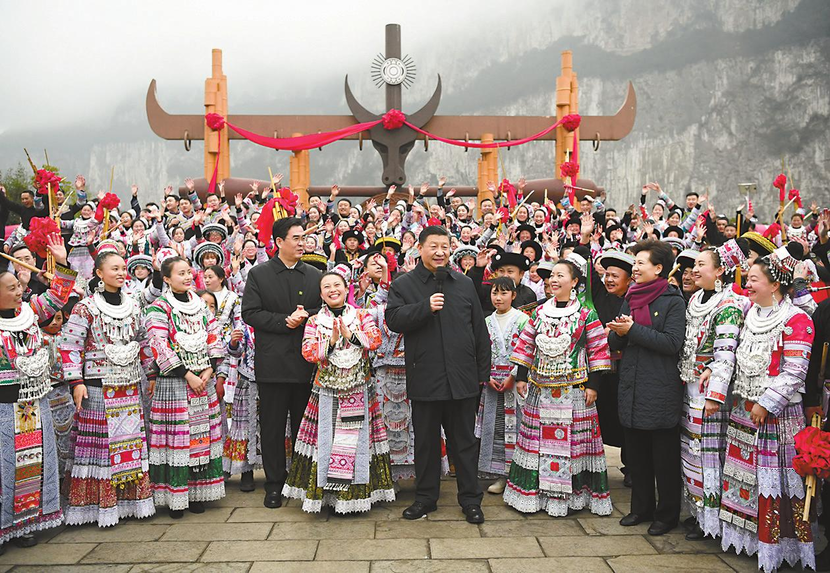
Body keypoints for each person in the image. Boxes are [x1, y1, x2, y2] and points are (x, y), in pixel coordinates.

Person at [386, 225, 490, 524]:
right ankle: (426, 498)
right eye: (434, 246)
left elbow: (479, 331)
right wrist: (424, 308)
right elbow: (393, 320)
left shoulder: (464, 283)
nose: (441, 252)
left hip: (463, 378)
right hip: (426, 376)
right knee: (427, 443)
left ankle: (470, 500)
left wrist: (481, 373)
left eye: (445, 246)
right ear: (420, 248)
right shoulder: (404, 285)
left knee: (464, 443)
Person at [720, 245, 815, 572]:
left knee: (773, 480)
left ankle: (777, 546)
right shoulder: (750, 313)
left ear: (775, 284)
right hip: (743, 412)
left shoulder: (797, 319)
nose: (748, 284)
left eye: (754, 279)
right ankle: (745, 540)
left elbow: (795, 370)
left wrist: (766, 403)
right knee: (745, 477)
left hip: (775, 416)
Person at [504, 258, 612, 517]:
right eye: (552, 275)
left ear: (574, 282)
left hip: (574, 390)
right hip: (541, 390)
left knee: (572, 445)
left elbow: (598, 350)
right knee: (537, 443)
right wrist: (521, 377)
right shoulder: (539, 312)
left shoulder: (586, 313)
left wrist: (594, 385)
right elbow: (526, 346)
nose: (554, 279)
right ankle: (537, 495)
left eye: (560, 275)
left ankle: (571, 498)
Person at [283, 269, 394, 513]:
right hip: (326, 391)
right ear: (321, 294)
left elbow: (375, 340)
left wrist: (350, 335)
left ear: (346, 289)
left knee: (357, 442)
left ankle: (355, 497)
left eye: (337, 285)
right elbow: (308, 352)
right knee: (327, 441)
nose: (333, 290)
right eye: (327, 287)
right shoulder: (313, 321)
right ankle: (326, 497)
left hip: (359, 388)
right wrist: (332, 341)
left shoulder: (362, 315)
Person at [60, 251, 155, 526]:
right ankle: (97, 505)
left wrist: (150, 373)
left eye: (123, 268)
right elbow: (70, 345)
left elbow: (144, 339)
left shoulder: (134, 305)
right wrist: (76, 382)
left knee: (129, 444)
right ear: (99, 273)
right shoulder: (86, 307)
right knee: (101, 447)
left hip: (129, 384)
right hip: (97, 386)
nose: (121, 272)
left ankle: (130, 503)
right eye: (114, 268)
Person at [0, 234, 75, 552]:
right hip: (4, 407)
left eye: (18, 286)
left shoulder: (30, 313)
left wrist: (63, 262)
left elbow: (58, 296)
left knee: (31, 465)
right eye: (11, 288)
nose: (19, 291)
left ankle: (26, 523)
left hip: (35, 401)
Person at [241, 217, 322, 508]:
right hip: (272, 362)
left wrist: (307, 316)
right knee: (273, 427)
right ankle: (274, 482)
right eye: (297, 238)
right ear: (278, 242)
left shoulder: (314, 274)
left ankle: (302, 480)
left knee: (306, 426)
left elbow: (324, 309)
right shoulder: (259, 274)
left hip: (306, 363)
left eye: (304, 238)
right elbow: (250, 313)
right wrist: (284, 321)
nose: (303, 243)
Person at [608, 239, 686, 536]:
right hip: (632, 384)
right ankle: (640, 508)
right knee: (637, 455)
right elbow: (619, 341)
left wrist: (633, 330)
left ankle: (667, 515)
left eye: (641, 263)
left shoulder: (673, 301)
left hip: (660, 387)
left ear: (659, 268)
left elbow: (671, 343)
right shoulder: (631, 296)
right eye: (635, 262)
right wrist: (618, 333)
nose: (635, 268)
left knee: (663, 458)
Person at [144, 257, 227, 518]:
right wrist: (187, 374)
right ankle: (174, 495)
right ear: (166, 279)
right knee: (177, 439)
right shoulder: (159, 307)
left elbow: (214, 336)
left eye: (189, 272)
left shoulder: (201, 305)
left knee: (200, 437)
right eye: (181, 273)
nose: (188, 276)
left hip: (203, 382)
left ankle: (196, 492)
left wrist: (209, 369)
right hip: (175, 383)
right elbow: (159, 345)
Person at [678, 241, 749, 541]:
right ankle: (697, 512)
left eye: (701, 265)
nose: (694, 270)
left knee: (708, 453)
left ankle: (713, 521)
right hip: (689, 385)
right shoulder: (696, 299)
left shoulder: (729, 304)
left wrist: (715, 394)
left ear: (720, 270)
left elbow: (726, 354)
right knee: (690, 453)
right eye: (694, 266)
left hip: (709, 393)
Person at [476, 277, 529, 495]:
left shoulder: (523, 320)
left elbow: (527, 351)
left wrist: (514, 375)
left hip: (514, 383)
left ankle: (518, 474)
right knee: (496, 429)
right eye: (494, 293)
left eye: (504, 293)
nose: (498, 297)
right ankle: (500, 474)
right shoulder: (486, 321)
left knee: (517, 428)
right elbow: (479, 351)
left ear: (513, 295)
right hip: (492, 382)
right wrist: (485, 374)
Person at [593, 251, 634, 486]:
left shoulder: (634, 300)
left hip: (623, 367)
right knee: (598, 416)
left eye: (615, 276)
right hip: (600, 369)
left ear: (629, 280)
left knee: (626, 418)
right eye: (607, 275)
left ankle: (630, 467)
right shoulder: (599, 295)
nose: (609, 280)